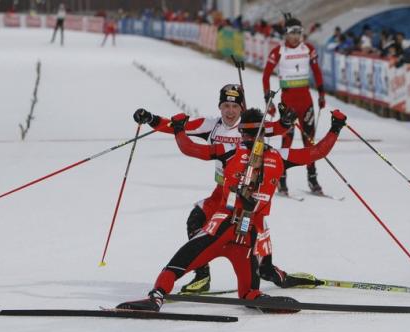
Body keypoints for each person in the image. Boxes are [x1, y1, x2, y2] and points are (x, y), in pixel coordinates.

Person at [117, 107, 347, 312]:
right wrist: (335, 127)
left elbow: (190, 149)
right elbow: (317, 152)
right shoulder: (280, 155)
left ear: (242, 133)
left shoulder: (229, 149)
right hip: (247, 235)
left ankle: (157, 296)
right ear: (263, 132)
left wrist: (179, 129)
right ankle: (255, 296)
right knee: (247, 292)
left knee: (178, 264)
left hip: (224, 227)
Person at [133, 84, 315, 293]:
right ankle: (202, 276)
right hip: (222, 192)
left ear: (241, 108)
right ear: (220, 107)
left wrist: (286, 119)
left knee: (251, 237)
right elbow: (175, 125)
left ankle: (268, 270)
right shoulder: (211, 125)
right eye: (226, 106)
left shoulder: (251, 126)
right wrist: (150, 118)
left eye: (235, 107)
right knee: (196, 220)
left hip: (248, 195)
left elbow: (278, 128)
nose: (230, 111)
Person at [262, 15, 326, 195]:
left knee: (309, 141)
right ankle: (281, 180)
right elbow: (266, 76)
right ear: (286, 34)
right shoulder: (278, 52)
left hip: (306, 102)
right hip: (287, 103)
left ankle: (312, 179)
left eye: (299, 32)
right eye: (293, 33)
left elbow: (317, 71)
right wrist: (269, 100)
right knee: (286, 140)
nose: (296, 36)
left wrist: (321, 93)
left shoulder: (309, 49)